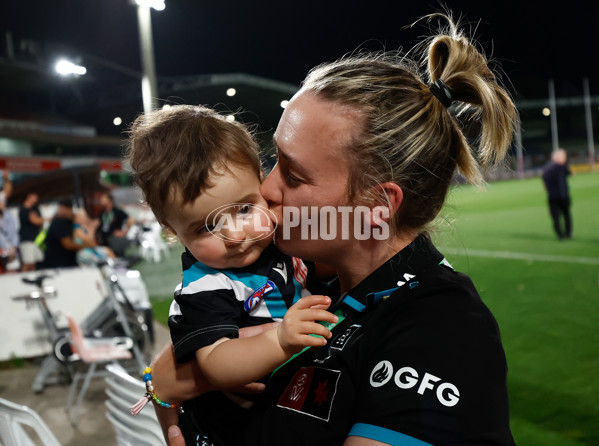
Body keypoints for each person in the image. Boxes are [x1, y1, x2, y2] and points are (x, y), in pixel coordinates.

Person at [152, 14, 518, 445]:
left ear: (376, 206)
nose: (267, 190)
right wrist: (162, 387)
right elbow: (169, 377)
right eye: (274, 159)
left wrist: (170, 383)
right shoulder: (302, 271)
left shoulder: (442, 329)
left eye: (293, 174)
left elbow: (171, 380)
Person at [126, 105, 336, 444]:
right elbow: (216, 365)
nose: (236, 236)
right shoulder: (206, 286)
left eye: (244, 208)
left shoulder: (279, 243)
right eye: (207, 227)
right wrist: (279, 339)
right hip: (225, 433)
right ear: (172, 231)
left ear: (261, 182)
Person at [43, 199, 95, 269]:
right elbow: (68, 244)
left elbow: (75, 240)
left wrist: (84, 242)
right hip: (59, 265)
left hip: (68, 264)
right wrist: (87, 244)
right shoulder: (59, 222)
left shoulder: (69, 223)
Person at [542, 148, 572, 240]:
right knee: (566, 214)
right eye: (564, 156)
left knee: (555, 217)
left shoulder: (546, 167)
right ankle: (568, 234)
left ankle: (560, 235)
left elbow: (544, 181)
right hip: (563, 195)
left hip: (552, 196)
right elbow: (571, 174)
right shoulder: (561, 166)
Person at [97, 192, 135, 257]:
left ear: (110, 200)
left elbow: (131, 220)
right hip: (104, 240)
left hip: (114, 240)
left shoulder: (116, 211)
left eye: (104, 198)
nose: (101, 200)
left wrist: (125, 231)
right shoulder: (102, 212)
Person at [18, 192, 46, 271]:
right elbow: (36, 221)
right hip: (27, 239)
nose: (35, 200)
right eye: (34, 197)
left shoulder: (35, 209)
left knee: (35, 262)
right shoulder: (23, 209)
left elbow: (40, 222)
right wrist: (48, 218)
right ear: (29, 196)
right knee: (28, 262)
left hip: (36, 240)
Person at [0, 198, 19, 273]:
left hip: (9, 249)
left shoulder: (9, 216)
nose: (3, 204)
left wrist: (13, 247)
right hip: (2, 249)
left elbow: (14, 232)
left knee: (12, 270)